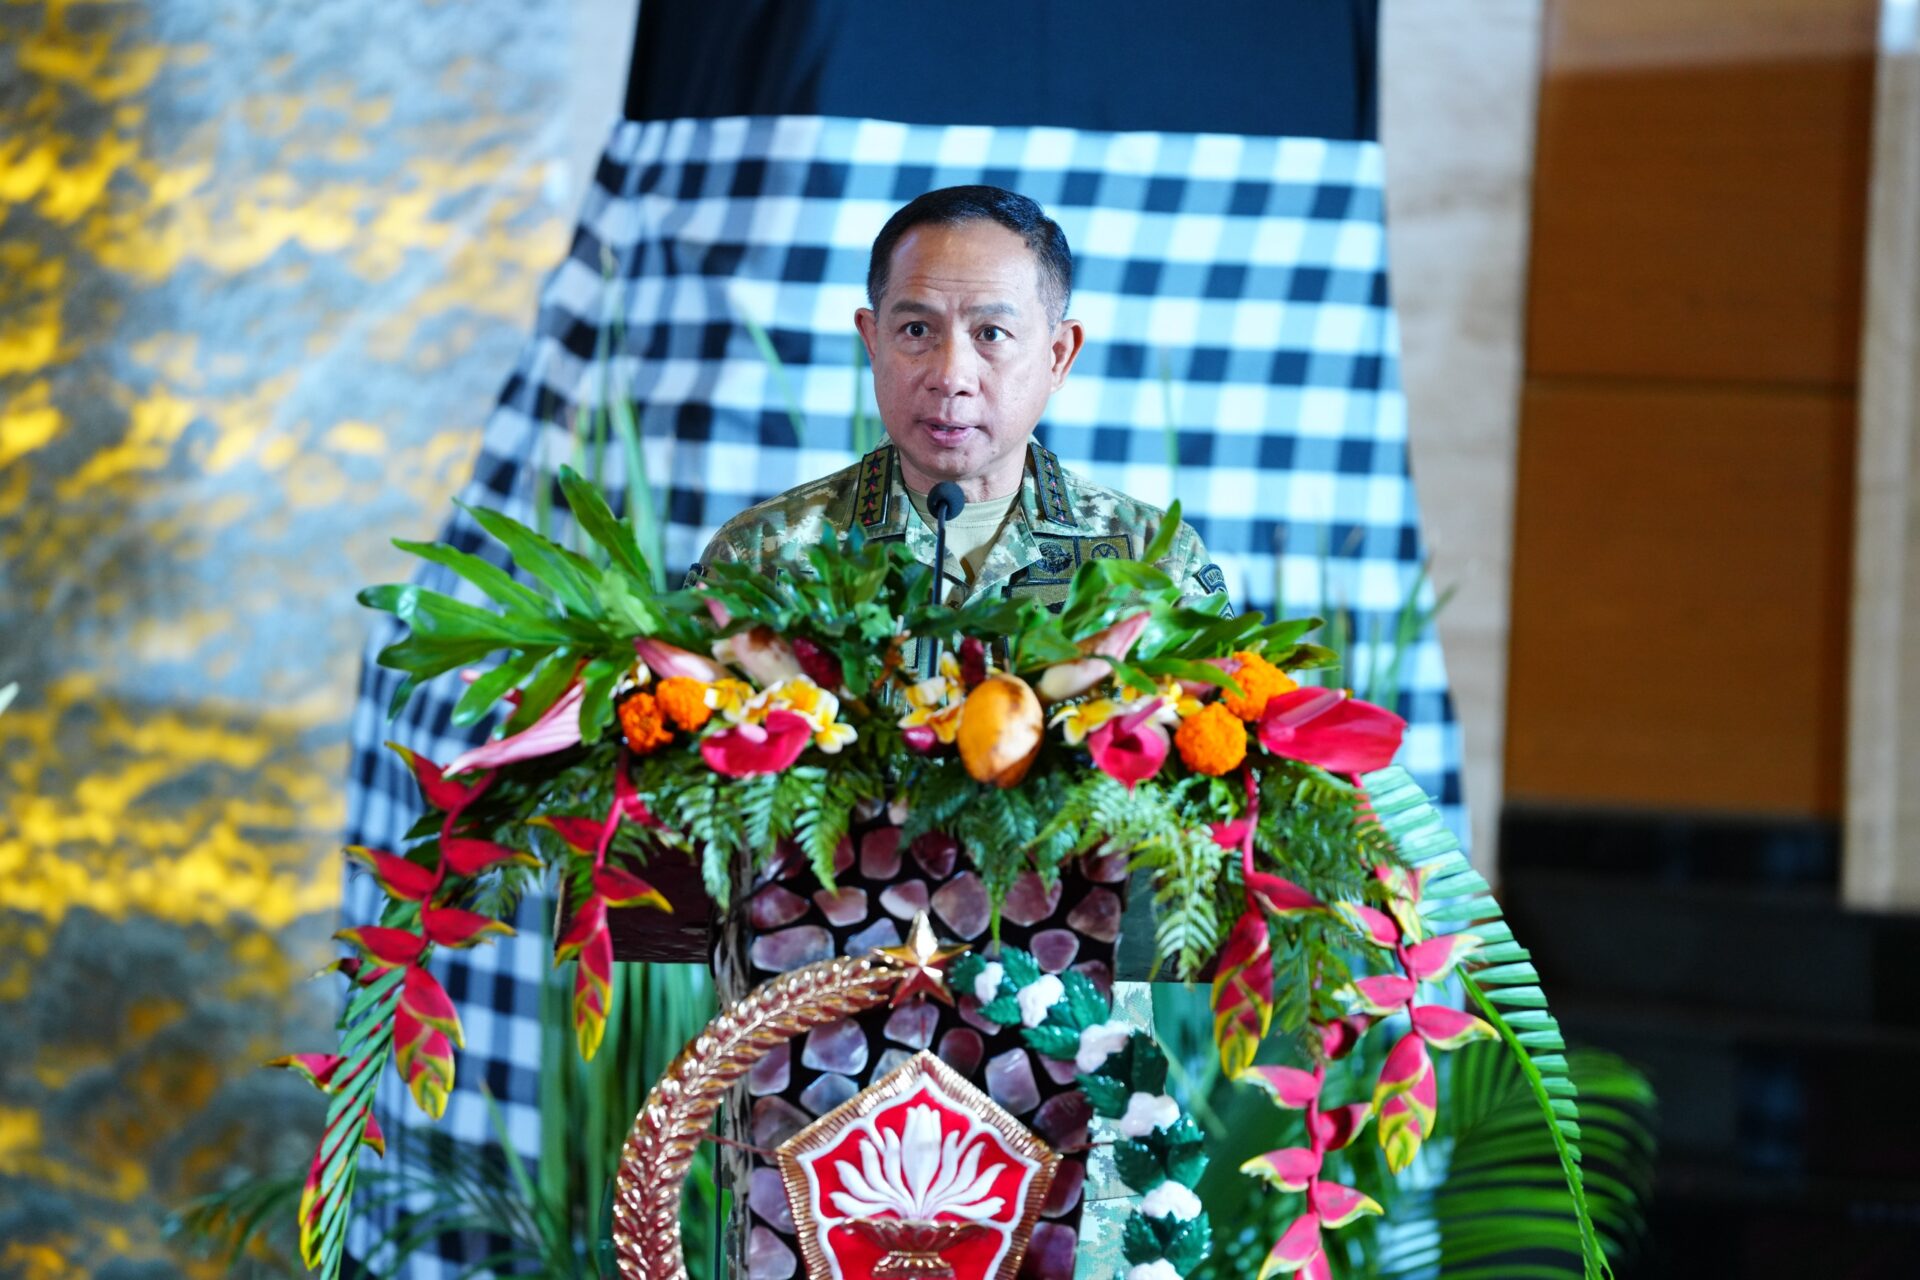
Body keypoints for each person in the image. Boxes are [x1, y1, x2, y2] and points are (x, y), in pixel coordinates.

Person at [689, 185, 1232, 609]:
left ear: (1058, 355)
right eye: (917, 331)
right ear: (873, 342)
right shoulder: (762, 557)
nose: (950, 377)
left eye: (991, 333)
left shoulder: (1153, 562)